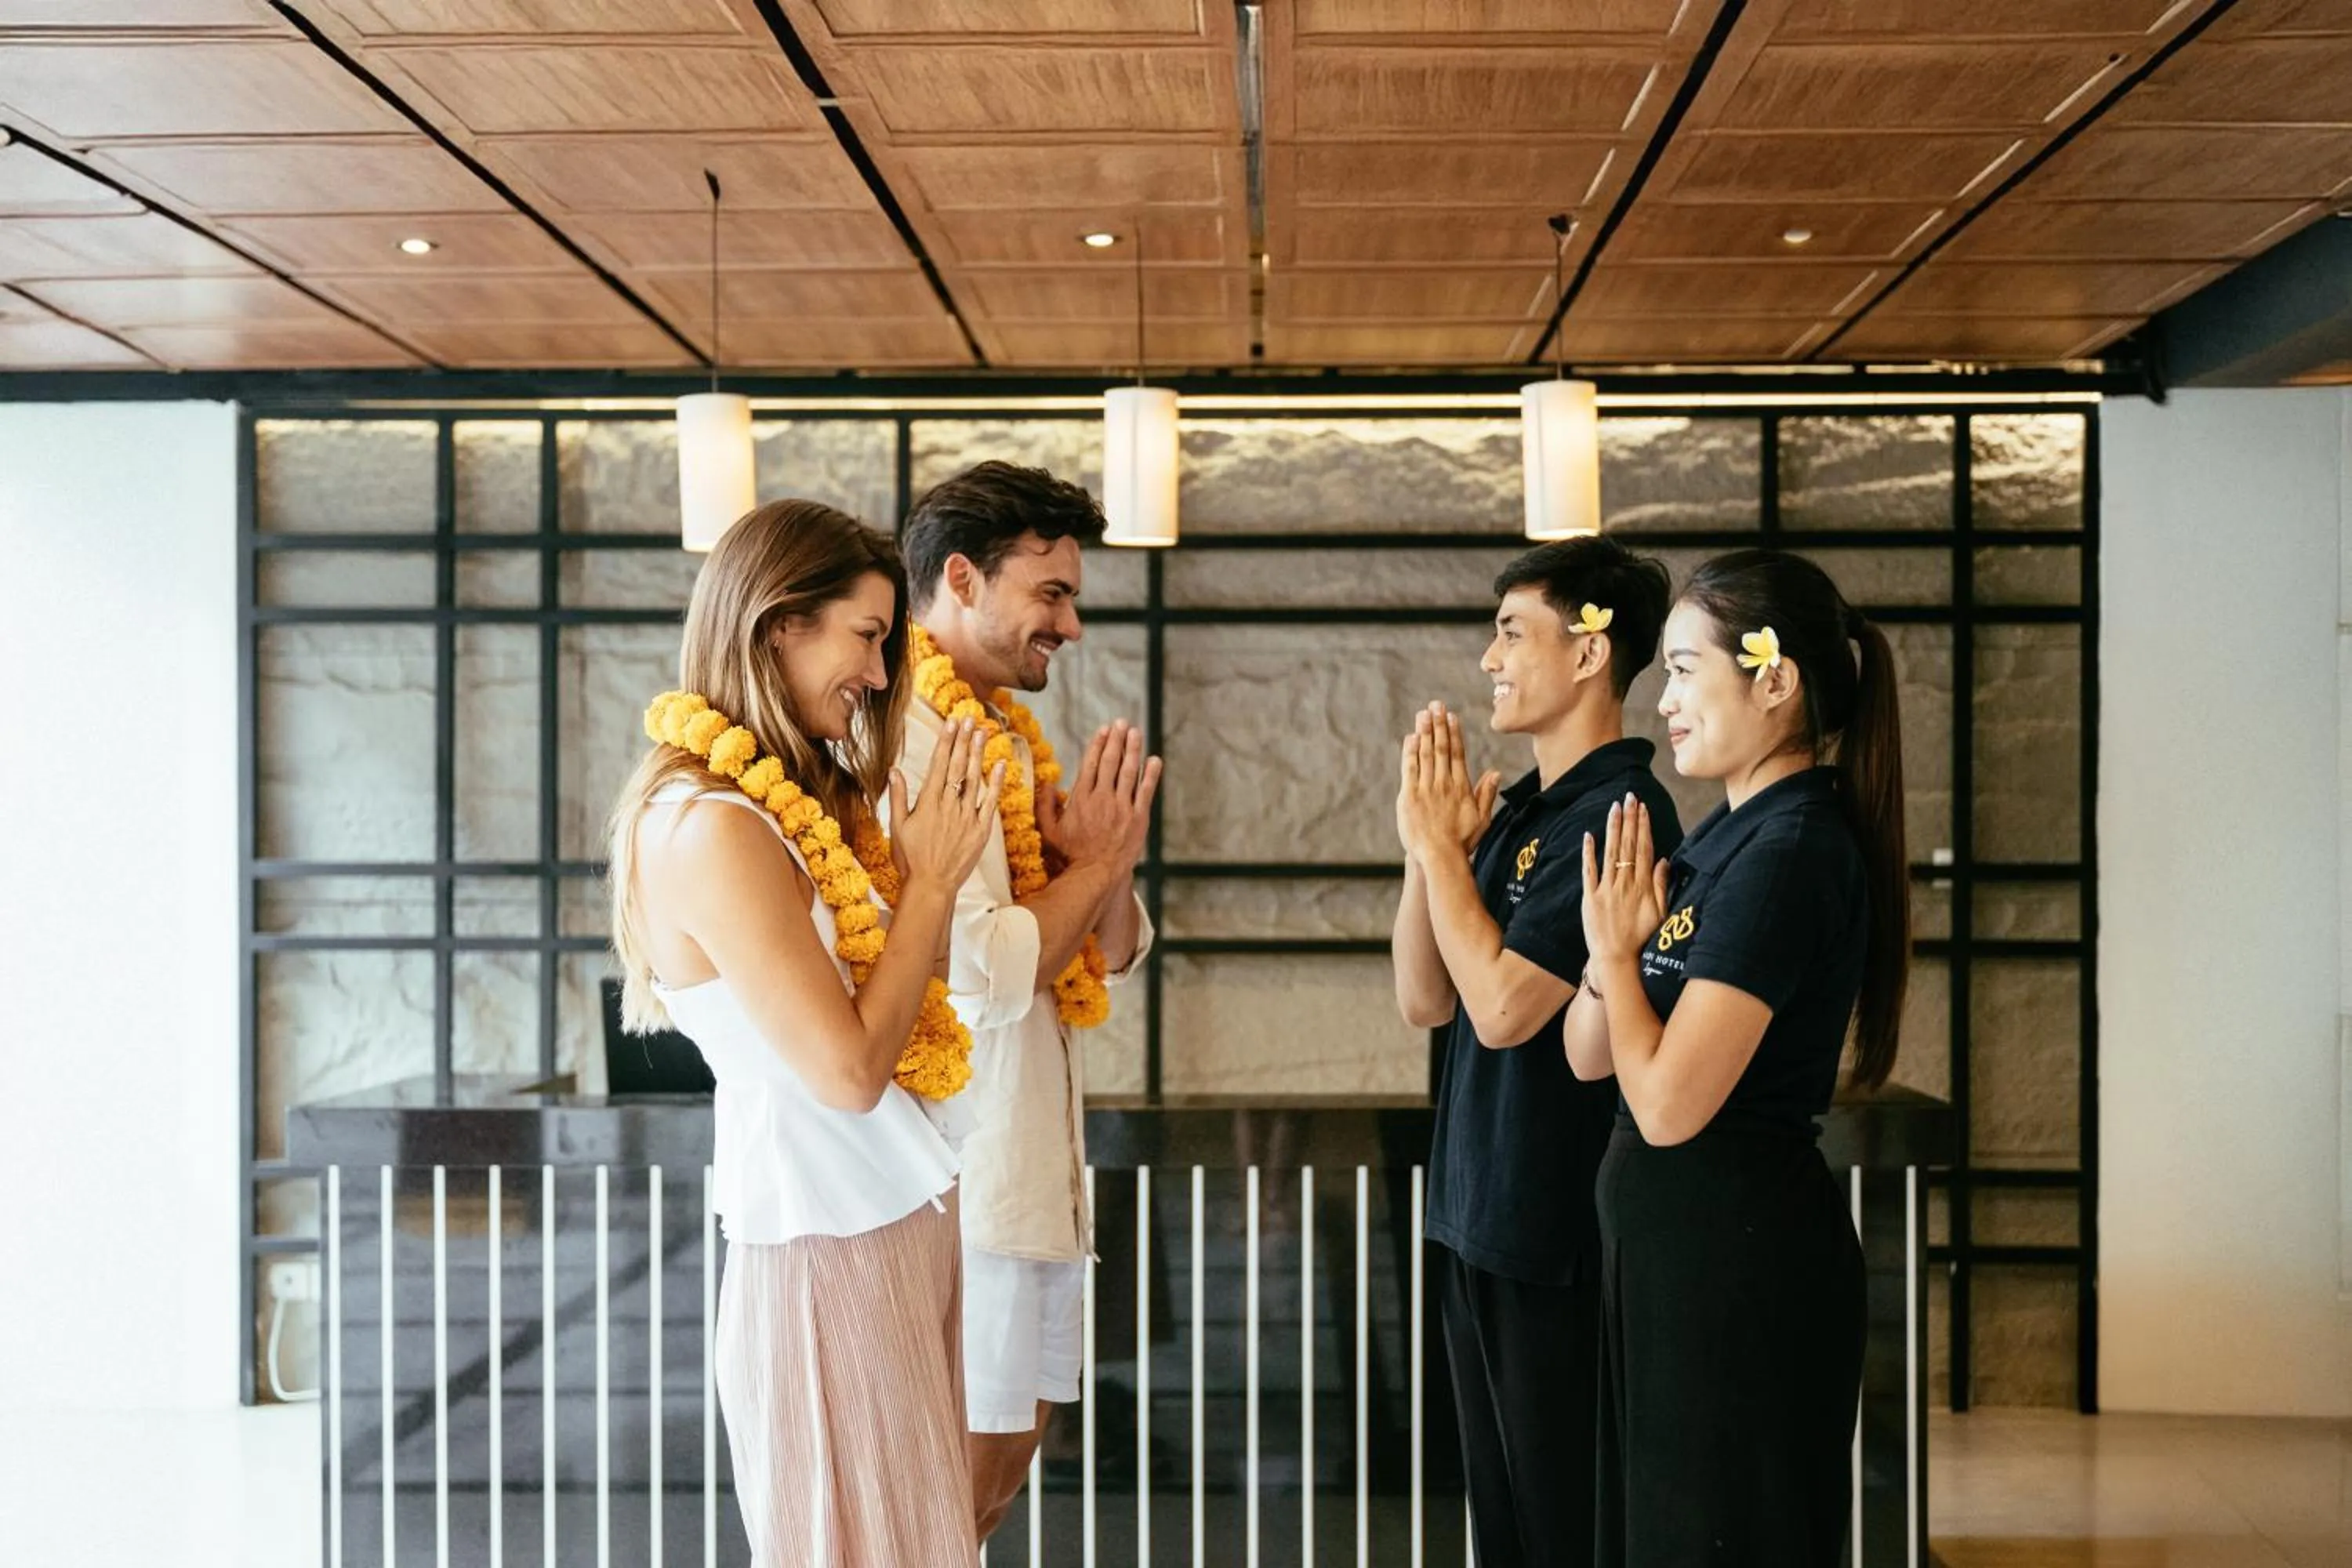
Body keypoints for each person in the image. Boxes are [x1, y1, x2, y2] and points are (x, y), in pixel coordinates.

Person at [606, 499, 1004, 1567]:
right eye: (867, 635)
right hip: (829, 1246)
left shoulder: (779, 811)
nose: (878, 675)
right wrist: (930, 883)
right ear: (780, 623)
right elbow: (847, 1072)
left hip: (890, 1223)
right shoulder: (708, 829)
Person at [1568, 548, 1908, 1567]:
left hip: (1740, 1275)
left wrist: (1620, 957)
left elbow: (1669, 1106)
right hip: (1678, 1273)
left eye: (1682, 668)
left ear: (1774, 678)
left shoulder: (1792, 851)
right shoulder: (1725, 841)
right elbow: (1591, 1054)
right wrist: (1606, 954)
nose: (1661, 699)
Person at [1391, 535, 1679, 1568]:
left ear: (1593, 652)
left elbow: (1509, 1008)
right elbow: (1426, 996)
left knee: (1560, 1522)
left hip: (1552, 1233)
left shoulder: (1620, 815)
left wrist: (1438, 855)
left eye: (1513, 631)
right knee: (1502, 1526)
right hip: (1477, 1216)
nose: (1490, 659)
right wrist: (1429, 860)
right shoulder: (1523, 810)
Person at [893, 461, 1160, 1541]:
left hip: (1031, 1178)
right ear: (962, 577)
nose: (1072, 625)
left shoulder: (999, 733)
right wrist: (1092, 871)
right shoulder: (912, 733)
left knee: (998, 1475)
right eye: (1050, 593)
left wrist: (1106, 864)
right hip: (964, 1181)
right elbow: (984, 974)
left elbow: (1121, 945)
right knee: (947, 1493)